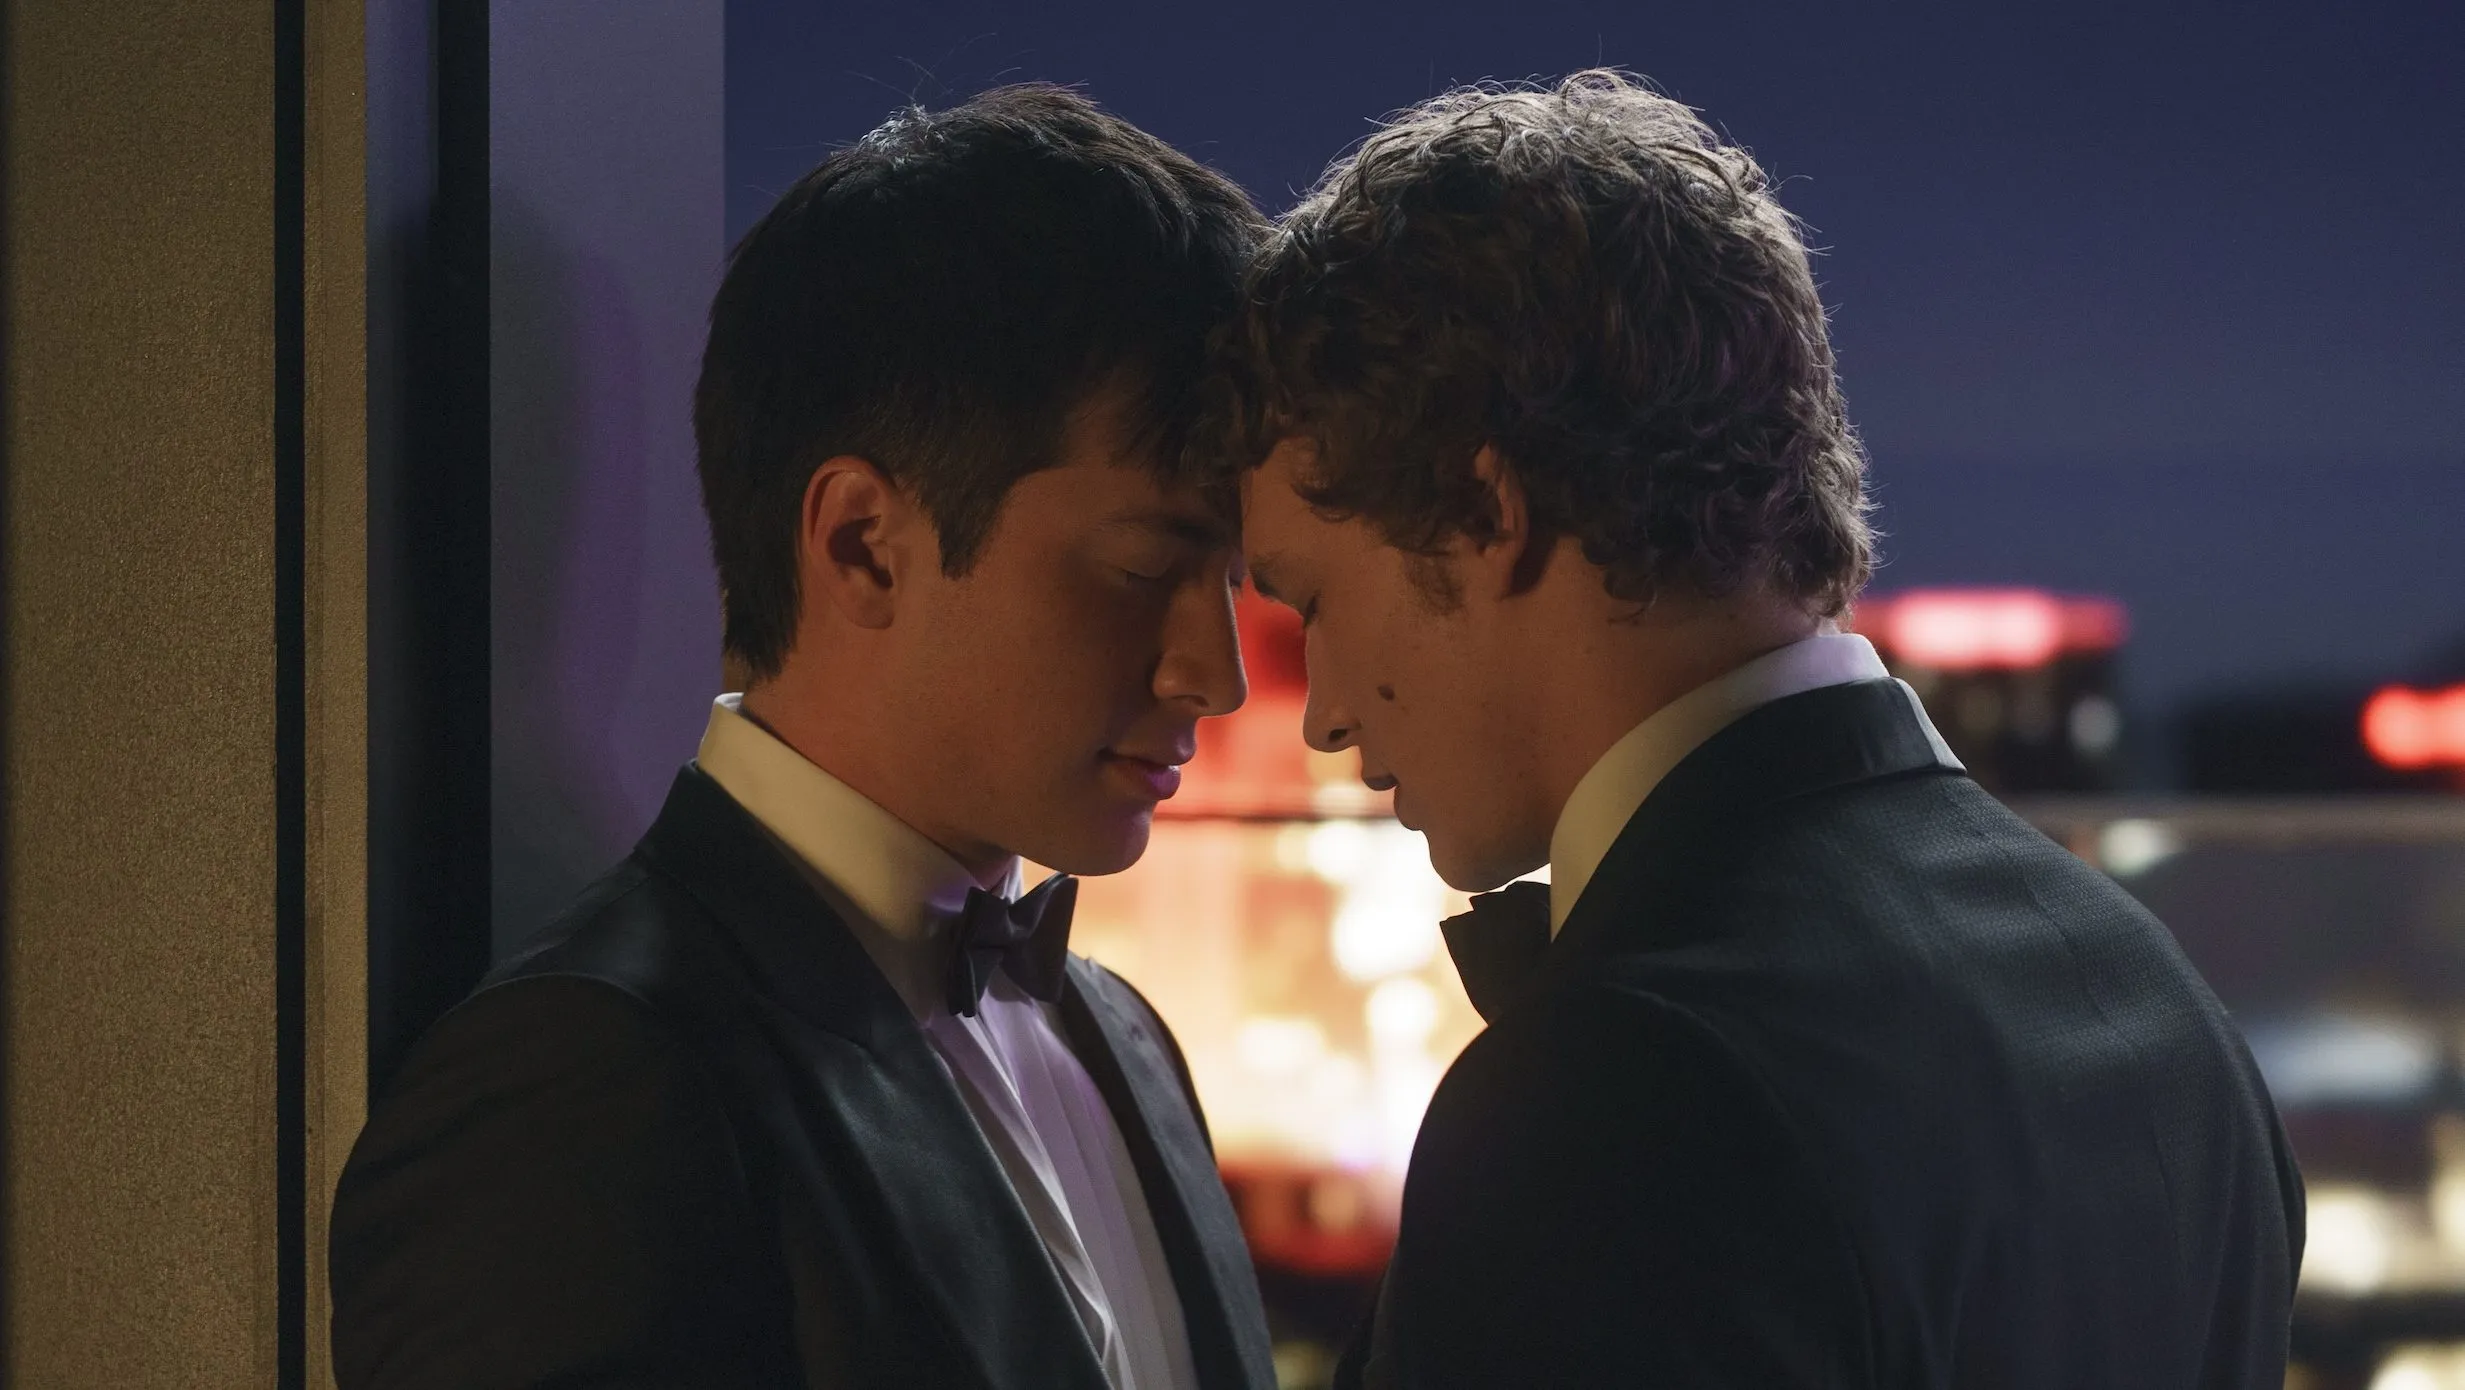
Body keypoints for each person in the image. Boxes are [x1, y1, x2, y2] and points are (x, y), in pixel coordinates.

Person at [1213, 70, 2304, 1389]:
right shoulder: (2163, 1008)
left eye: (1312, 604)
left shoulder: (1621, 1096)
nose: (1322, 710)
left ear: (1485, 512)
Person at [331, 86, 1276, 1390]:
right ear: (862, 544)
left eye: (1237, 580)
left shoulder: (1123, 1037)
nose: (1218, 676)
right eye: (1144, 568)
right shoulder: (581, 1092)